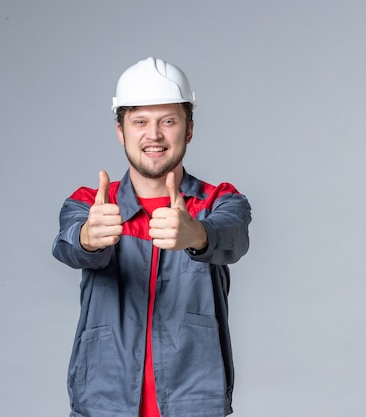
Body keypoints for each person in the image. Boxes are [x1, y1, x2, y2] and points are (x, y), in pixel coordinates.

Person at [52, 57, 251, 417]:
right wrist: (87, 237)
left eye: (168, 121)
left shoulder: (216, 201)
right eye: (140, 121)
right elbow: (67, 245)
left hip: (196, 401)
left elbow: (234, 236)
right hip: (103, 400)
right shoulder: (91, 203)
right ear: (120, 131)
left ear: (189, 130)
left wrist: (197, 233)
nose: (154, 135)